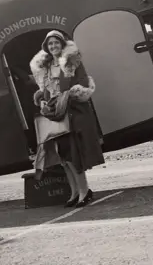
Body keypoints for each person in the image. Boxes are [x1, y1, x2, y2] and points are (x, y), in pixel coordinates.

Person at [29, 30, 104, 207]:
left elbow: (85, 83)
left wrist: (72, 93)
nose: (53, 46)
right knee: (63, 157)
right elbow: (46, 89)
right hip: (56, 114)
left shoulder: (72, 62)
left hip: (72, 113)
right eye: (50, 44)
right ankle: (74, 192)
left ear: (62, 44)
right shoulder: (46, 66)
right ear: (46, 47)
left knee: (73, 155)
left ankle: (85, 191)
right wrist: (42, 99)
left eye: (56, 43)